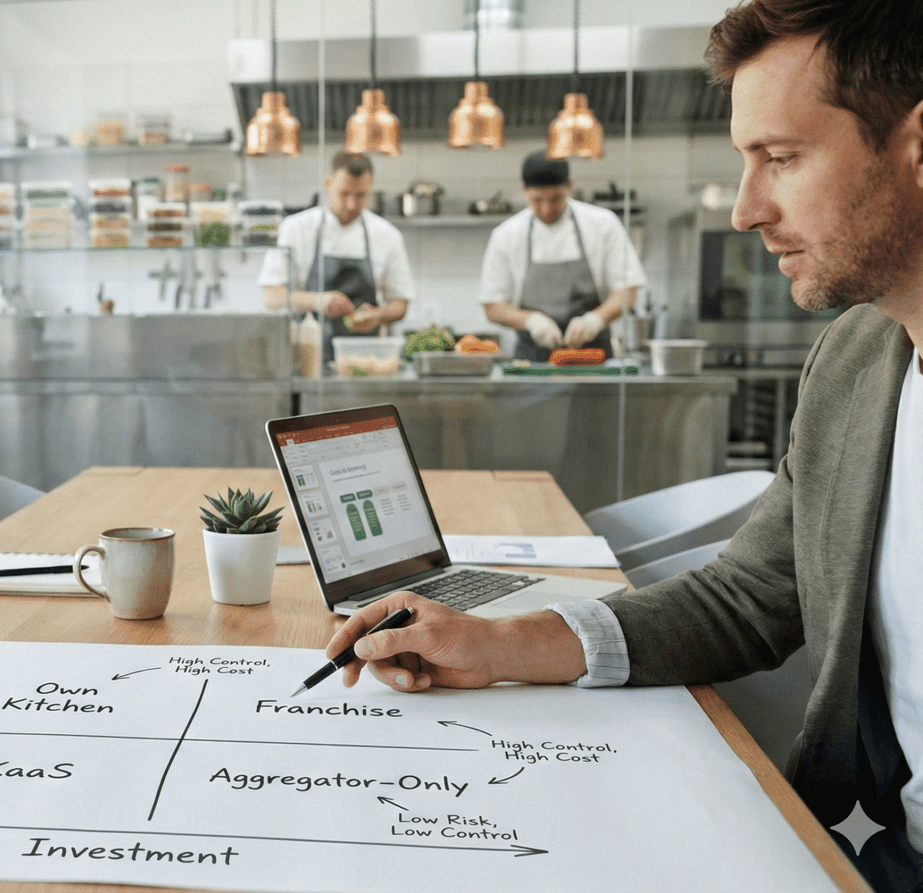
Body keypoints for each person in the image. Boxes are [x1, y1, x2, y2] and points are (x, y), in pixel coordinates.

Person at [324, 3, 923, 890]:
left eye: (782, 158)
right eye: (744, 161)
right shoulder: (858, 360)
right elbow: (749, 595)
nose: (747, 210)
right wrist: (497, 645)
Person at [477, 150, 645, 361]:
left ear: (570, 186)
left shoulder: (603, 224)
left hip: (593, 359)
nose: (546, 209)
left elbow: (627, 292)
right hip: (531, 360)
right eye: (536, 200)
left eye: (556, 199)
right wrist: (531, 321)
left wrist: (595, 320)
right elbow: (492, 306)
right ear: (522, 189)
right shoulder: (506, 235)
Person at [258, 151, 413, 359]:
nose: (351, 204)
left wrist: (379, 315)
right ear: (328, 183)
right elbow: (271, 296)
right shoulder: (295, 228)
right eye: (344, 193)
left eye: (360, 195)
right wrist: (317, 301)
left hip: (366, 359)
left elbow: (400, 304)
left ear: (371, 186)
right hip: (305, 358)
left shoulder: (387, 235)